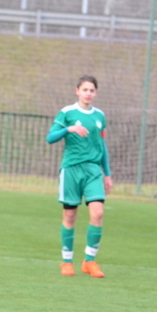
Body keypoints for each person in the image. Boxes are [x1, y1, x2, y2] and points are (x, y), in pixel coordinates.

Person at [47, 74, 112, 278]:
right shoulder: (67, 112)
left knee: (98, 213)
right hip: (71, 170)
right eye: (85, 90)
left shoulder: (100, 116)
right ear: (77, 91)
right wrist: (69, 129)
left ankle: (89, 260)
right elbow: (50, 138)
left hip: (93, 170)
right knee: (70, 215)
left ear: (96, 93)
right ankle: (67, 261)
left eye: (92, 90)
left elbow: (102, 146)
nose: (88, 93)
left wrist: (107, 174)